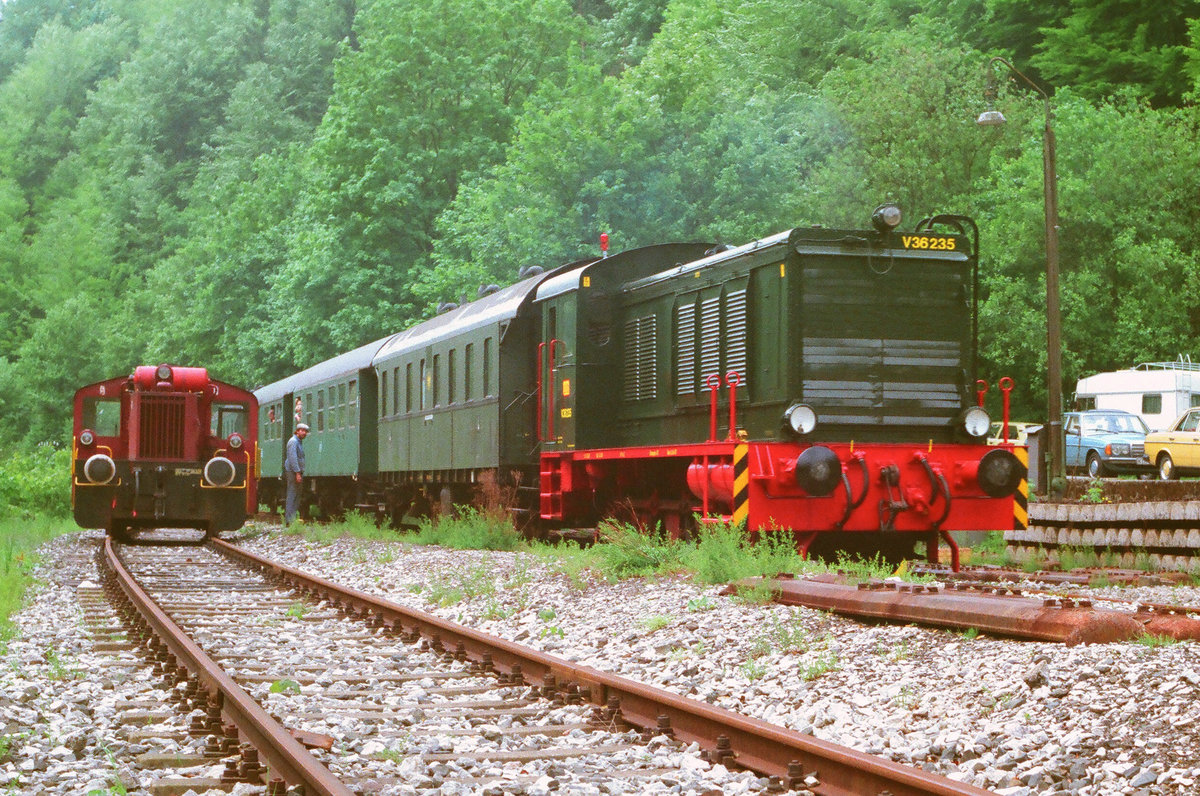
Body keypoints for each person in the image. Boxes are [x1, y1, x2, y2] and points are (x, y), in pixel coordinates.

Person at [284, 423, 309, 525]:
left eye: (305, 431)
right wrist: (297, 473)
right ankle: (289, 520)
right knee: (292, 494)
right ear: (297, 431)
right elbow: (293, 458)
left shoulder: (298, 442)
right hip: (293, 472)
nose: (304, 433)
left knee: (296, 495)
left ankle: (292, 518)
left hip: (296, 471)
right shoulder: (293, 442)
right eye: (302, 430)